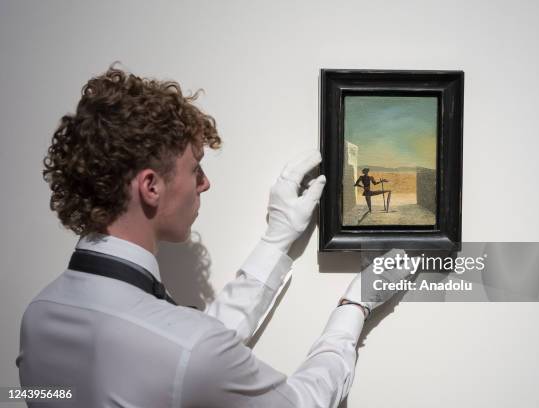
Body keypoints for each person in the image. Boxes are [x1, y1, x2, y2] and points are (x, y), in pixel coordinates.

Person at [17, 66, 404, 407]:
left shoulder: (39, 315)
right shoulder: (186, 349)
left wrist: (276, 239)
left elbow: (182, 358)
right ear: (151, 187)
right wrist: (355, 307)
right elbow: (296, 401)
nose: (205, 183)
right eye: (195, 169)